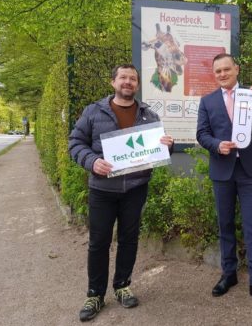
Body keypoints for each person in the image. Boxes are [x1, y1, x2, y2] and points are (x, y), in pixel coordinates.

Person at [69, 64, 174, 322]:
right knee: (99, 242)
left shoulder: (149, 115)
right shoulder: (94, 111)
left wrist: (166, 147)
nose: (128, 82)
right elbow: (75, 143)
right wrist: (92, 161)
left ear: (137, 85)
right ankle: (95, 294)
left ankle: (122, 286)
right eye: (123, 78)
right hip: (102, 190)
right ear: (113, 82)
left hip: (136, 188)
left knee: (129, 239)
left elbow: (156, 154)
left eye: (133, 79)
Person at [196, 53, 252, 306]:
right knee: (225, 223)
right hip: (222, 170)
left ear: (236, 69)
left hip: (249, 170)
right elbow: (202, 134)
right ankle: (229, 274)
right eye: (218, 72)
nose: (223, 74)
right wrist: (217, 145)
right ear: (214, 74)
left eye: (227, 69)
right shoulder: (207, 101)